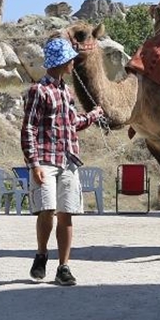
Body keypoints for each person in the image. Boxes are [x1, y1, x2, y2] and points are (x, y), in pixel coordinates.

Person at [20, 37, 104, 286]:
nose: (73, 63)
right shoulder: (38, 91)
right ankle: (41, 254)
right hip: (45, 159)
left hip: (68, 161)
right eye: (70, 59)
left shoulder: (67, 92)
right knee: (47, 209)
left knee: (66, 213)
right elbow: (29, 128)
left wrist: (93, 115)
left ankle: (63, 267)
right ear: (61, 61)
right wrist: (34, 164)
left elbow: (72, 123)